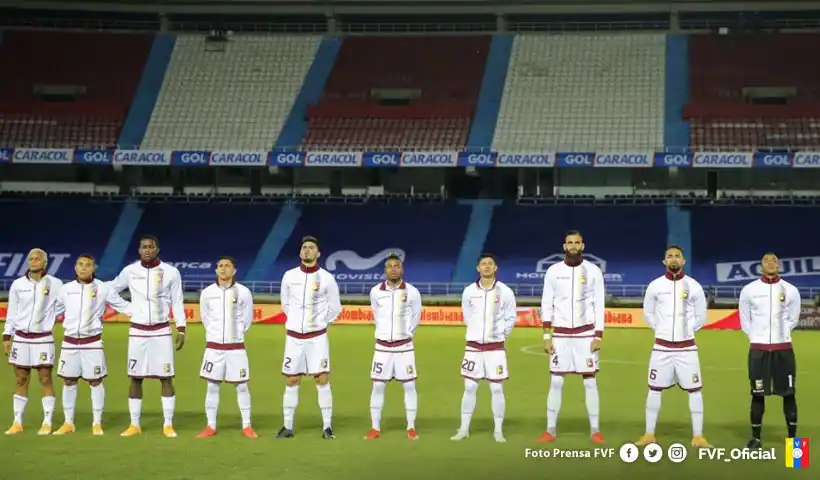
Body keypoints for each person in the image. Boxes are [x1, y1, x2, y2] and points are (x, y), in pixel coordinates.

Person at [109, 234, 186, 438]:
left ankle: (168, 424)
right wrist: (130, 309)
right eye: (144, 247)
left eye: (151, 246)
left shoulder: (170, 272)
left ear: (157, 249)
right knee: (135, 378)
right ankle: (134, 424)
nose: (147, 250)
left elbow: (177, 301)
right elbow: (111, 292)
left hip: (161, 331)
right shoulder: (130, 271)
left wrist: (181, 327)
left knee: (166, 377)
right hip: (138, 331)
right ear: (139, 250)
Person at [635, 246, 711, 448]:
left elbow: (701, 316)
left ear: (683, 261)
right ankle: (649, 433)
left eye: (677, 256)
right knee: (654, 389)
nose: (674, 259)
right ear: (664, 262)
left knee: (694, 390)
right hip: (661, 348)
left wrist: (686, 333)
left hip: (687, 348)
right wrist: (662, 330)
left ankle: (698, 436)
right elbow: (648, 314)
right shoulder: (655, 286)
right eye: (670, 256)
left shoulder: (694, 286)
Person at [52, 254, 133, 436]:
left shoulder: (103, 289)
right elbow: (52, 312)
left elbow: (123, 306)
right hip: (69, 343)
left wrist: (144, 314)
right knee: (68, 381)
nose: (83, 268)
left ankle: (97, 423)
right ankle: (68, 423)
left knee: (95, 381)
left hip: (92, 343)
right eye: (80, 264)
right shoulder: (65, 290)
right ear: (75, 268)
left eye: (88, 265)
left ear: (94, 268)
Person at [538, 230, 605, 444]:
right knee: (556, 381)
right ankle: (550, 430)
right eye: (570, 242)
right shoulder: (553, 271)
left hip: (586, 334)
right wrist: (546, 336)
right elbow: (546, 303)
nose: (573, 246)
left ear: (582, 245)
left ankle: (595, 430)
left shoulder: (593, 271)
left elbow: (599, 304)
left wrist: (599, 336)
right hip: (561, 335)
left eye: (577, 242)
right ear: (564, 246)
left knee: (590, 383)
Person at [276, 236, 341, 439]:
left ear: (318, 253)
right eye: (304, 247)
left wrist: (319, 323)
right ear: (300, 252)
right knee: (292, 379)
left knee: (321, 379)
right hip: (294, 338)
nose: (307, 250)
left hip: (317, 338)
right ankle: (287, 427)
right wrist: (297, 322)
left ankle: (327, 427)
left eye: (311, 247)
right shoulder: (289, 276)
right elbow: (285, 304)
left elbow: (335, 308)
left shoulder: (327, 278)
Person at [451, 253, 517, 443]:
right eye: (483, 264)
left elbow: (511, 318)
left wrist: (499, 336)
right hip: (473, 348)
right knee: (470, 387)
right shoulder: (469, 291)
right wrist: (475, 334)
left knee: (496, 389)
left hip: (495, 349)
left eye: (490, 263)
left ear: (495, 268)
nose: (486, 266)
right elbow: (467, 316)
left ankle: (498, 430)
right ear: (478, 268)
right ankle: (463, 428)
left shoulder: (505, 292)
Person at [738, 253, 801, 449]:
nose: (771, 263)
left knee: (789, 394)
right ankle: (756, 439)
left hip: (784, 350)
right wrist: (757, 338)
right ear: (760, 266)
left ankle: (793, 440)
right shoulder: (749, 290)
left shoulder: (791, 290)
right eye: (766, 260)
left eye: (774, 260)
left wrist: (780, 337)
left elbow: (793, 319)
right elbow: (745, 320)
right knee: (758, 394)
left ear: (779, 265)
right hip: (759, 351)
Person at [3, 249, 63, 436]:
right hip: (21, 338)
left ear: (45, 262)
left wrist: (51, 318)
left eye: (37, 258)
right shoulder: (18, 284)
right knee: (21, 379)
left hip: (43, 338)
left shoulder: (56, 284)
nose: (33, 261)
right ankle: (17, 422)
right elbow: (12, 312)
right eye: (31, 258)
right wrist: (7, 336)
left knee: (45, 378)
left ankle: (47, 421)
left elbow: (62, 305)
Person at [196, 257, 257, 439]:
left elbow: (247, 320)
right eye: (220, 266)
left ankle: (247, 426)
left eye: (227, 265)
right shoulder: (207, 293)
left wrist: (235, 334)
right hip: (214, 348)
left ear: (234, 270)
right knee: (212, 386)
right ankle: (211, 426)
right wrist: (216, 336)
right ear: (216, 270)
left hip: (236, 348)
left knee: (242, 386)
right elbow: (205, 318)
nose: (223, 269)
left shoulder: (244, 292)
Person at [365, 253, 422, 440]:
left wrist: (405, 334)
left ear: (402, 269)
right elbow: (376, 314)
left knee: (409, 386)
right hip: (382, 348)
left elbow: (415, 317)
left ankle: (411, 427)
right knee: (378, 386)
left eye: (397, 266)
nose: (393, 269)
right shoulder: (375, 292)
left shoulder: (412, 292)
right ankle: (375, 428)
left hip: (404, 347)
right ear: (385, 270)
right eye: (390, 266)